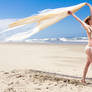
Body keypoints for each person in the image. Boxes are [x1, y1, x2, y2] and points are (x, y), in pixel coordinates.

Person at [68, 3, 92, 84]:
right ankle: (83, 79)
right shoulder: (87, 27)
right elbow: (80, 21)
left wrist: (89, 6)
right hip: (90, 49)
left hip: (89, 49)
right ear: (89, 21)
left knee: (87, 64)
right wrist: (72, 14)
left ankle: (83, 79)